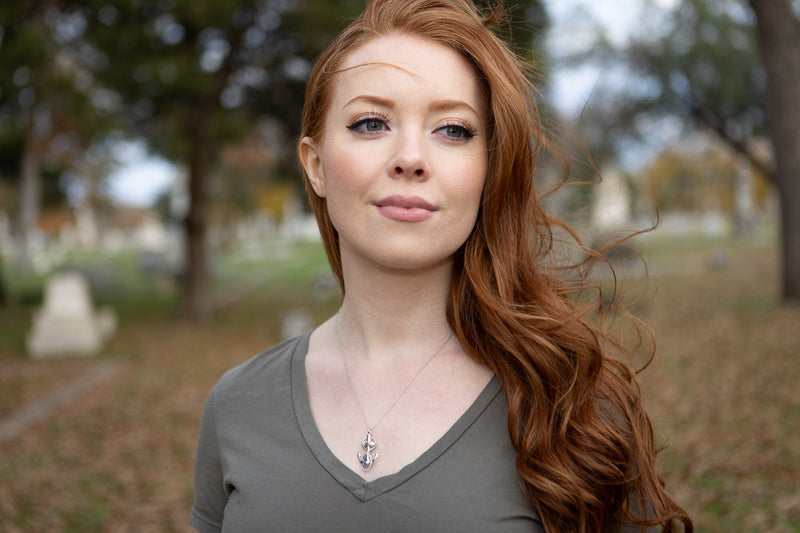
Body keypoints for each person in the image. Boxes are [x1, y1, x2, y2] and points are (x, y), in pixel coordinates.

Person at [190, 0, 693, 531]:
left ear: (488, 170)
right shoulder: (236, 406)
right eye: (370, 123)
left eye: (452, 129)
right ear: (315, 165)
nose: (411, 157)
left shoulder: (572, 404)